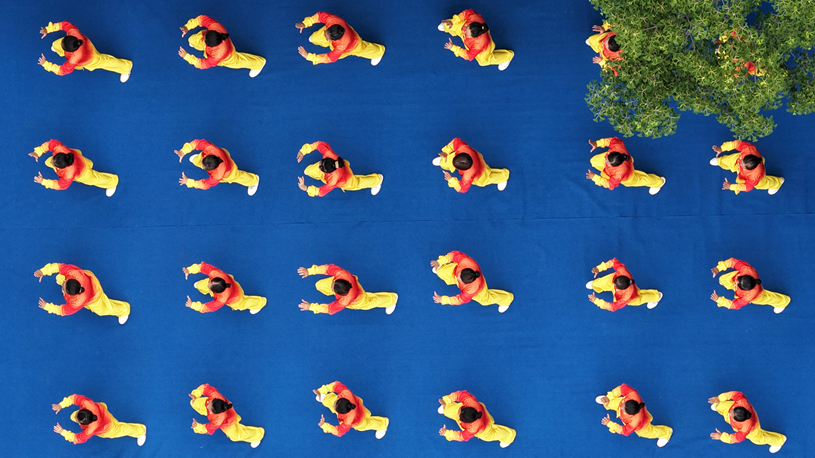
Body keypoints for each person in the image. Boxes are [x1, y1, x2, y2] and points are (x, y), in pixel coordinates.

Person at [35, 263, 130, 324]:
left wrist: (47, 307)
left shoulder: (77, 302)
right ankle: (62, 281)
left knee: (103, 310)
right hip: (86, 278)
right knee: (61, 277)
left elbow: (63, 310)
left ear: (72, 295)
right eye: (64, 284)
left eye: (63, 289)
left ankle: (124, 310)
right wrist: (43, 271)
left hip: (95, 297)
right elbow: (58, 267)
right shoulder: (73, 273)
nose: (62, 289)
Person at [38, 21, 132, 82]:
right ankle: (58, 48)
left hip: (90, 57)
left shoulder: (74, 59)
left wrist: (47, 65)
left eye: (63, 46)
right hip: (83, 43)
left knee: (105, 62)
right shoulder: (73, 31)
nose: (61, 43)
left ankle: (126, 67)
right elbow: (63, 25)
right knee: (56, 44)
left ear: (70, 51)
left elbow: (63, 70)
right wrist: (48, 29)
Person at [178, 15, 266, 77]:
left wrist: (187, 57)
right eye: (205, 36)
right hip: (212, 44)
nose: (203, 39)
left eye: (204, 40)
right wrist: (187, 27)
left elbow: (202, 64)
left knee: (238, 62)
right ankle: (197, 42)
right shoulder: (214, 26)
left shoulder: (218, 55)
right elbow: (200, 19)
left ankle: (259, 64)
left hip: (227, 56)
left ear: (210, 46)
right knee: (193, 40)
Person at [431, 251, 513, 313]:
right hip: (456, 269)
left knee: (485, 300)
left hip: (479, 289)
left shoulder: (471, 290)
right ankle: (440, 268)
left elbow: (459, 299)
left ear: (465, 283)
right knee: (441, 272)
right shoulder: (466, 261)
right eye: (459, 274)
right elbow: (452, 255)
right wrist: (440, 261)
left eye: (459, 279)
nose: (457, 277)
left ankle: (507, 299)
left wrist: (443, 300)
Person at [297, 264, 397, 315]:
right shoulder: (341, 274)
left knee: (371, 302)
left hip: (358, 299)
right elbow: (327, 268)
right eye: (333, 283)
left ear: (340, 294)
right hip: (349, 284)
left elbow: (329, 309)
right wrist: (309, 271)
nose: (331, 285)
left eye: (333, 288)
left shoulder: (345, 301)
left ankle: (392, 299)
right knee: (320, 285)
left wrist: (311, 307)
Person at [30, 139, 118, 197]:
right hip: (78, 158)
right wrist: (38, 152)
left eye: (54, 164)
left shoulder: (69, 174)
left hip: (82, 173)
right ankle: (89, 164)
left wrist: (44, 181)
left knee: (94, 179)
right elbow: (49, 144)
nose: (51, 162)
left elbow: (60, 185)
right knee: (47, 162)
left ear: (63, 167)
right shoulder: (59, 148)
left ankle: (112, 182)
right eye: (53, 159)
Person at [595, 384, 672, 447]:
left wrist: (610, 424)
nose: (620, 407)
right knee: (615, 402)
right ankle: (606, 401)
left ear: (630, 415)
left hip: (642, 426)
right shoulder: (632, 395)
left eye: (623, 410)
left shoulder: (635, 422)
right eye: (624, 404)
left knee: (650, 433)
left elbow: (624, 430)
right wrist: (609, 397)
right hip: (629, 408)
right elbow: (621, 388)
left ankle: (667, 433)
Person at [51, 394, 146, 445]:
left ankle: (141, 431)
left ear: (86, 424)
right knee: (100, 407)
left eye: (78, 419)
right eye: (78, 415)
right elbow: (73, 398)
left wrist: (63, 432)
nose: (75, 417)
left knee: (122, 429)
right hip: (101, 410)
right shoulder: (87, 403)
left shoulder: (90, 430)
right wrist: (61, 405)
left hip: (108, 427)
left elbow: (77, 438)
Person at [709, 391, 786, 453]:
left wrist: (722, 437)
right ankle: (719, 405)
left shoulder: (746, 428)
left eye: (731, 415)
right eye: (732, 411)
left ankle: (779, 441)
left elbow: (737, 438)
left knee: (759, 439)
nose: (729, 413)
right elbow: (735, 394)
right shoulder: (741, 401)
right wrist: (720, 398)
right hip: (736, 411)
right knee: (722, 406)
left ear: (736, 420)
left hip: (753, 429)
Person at [189, 384, 264, 448]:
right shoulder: (214, 395)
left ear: (215, 413)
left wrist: (197, 427)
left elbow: (208, 428)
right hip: (219, 409)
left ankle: (257, 435)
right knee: (195, 403)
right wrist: (196, 394)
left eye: (209, 408)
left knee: (235, 436)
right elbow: (205, 388)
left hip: (228, 423)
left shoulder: (218, 420)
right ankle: (196, 402)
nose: (207, 406)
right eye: (210, 403)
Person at [296, 12, 385, 66]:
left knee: (362, 49)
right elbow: (319, 16)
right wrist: (305, 23)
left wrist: (309, 57)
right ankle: (322, 35)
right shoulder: (332, 20)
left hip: (353, 44)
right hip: (336, 33)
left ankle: (378, 52)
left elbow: (329, 58)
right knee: (315, 38)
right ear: (329, 27)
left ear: (332, 40)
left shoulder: (341, 47)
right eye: (326, 32)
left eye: (327, 38)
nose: (325, 36)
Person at [296, 141, 383, 196]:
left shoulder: (333, 181)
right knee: (310, 170)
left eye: (321, 167)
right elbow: (317, 145)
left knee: (357, 183)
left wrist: (305, 188)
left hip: (346, 179)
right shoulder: (328, 153)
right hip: (341, 165)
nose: (319, 166)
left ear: (327, 172)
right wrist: (302, 151)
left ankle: (377, 180)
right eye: (321, 163)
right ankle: (346, 164)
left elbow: (320, 191)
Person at [176, 139, 259, 195]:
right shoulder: (210, 148)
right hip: (221, 154)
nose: (202, 162)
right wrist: (183, 151)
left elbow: (205, 184)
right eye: (203, 160)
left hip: (229, 172)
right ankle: (198, 159)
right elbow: (196, 143)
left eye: (204, 166)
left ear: (211, 170)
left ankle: (254, 180)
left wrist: (189, 182)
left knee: (238, 177)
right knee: (200, 159)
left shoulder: (217, 175)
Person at [438, 10, 514, 70]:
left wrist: (453, 48)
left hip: (483, 48)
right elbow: (465, 13)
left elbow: (467, 55)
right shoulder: (474, 18)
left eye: (467, 33)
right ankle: (447, 26)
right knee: (449, 25)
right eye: (466, 28)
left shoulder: (479, 45)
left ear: (474, 37)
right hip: (469, 37)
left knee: (483, 61)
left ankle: (507, 57)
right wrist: (453, 22)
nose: (464, 31)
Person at [438, 390, 516, 447]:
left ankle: (509, 436)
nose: (457, 414)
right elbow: (459, 395)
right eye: (459, 412)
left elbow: (462, 436)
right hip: (471, 411)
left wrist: (447, 433)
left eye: (459, 416)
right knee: (449, 411)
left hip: (484, 429)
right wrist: (447, 400)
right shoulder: (470, 402)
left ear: (467, 422)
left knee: (491, 436)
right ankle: (446, 406)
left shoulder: (473, 428)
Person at [586, 138, 665, 194]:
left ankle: (658, 182)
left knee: (642, 179)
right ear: (612, 152)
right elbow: (610, 141)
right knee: (594, 161)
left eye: (608, 163)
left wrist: (595, 178)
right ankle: (607, 171)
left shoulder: (618, 174)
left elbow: (609, 184)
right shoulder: (617, 146)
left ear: (615, 166)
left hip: (628, 176)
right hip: (625, 161)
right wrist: (597, 143)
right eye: (607, 158)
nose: (605, 161)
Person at [710, 258, 790, 314]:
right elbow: (733, 262)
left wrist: (720, 300)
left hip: (758, 296)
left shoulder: (749, 296)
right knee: (724, 279)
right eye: (739, 280)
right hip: (737, 276)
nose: (735, 282)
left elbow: (734, 305)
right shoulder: (746, 270)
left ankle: (783, 302)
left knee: (769, 298)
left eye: (738, 284)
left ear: (745, 290)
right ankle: (725, 281)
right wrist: (719, 268)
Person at [183, 262, 267, 314]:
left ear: (216, 293)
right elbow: (202, 267)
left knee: (243, 304)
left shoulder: (222, 299)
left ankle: (260, 303)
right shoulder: (215, 273)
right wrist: (189, 270)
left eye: (210, 287)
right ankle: (203, 287)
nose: (208, 284)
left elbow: (209, 307)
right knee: (202, 285)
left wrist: (193, 305)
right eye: (210, 282)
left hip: (236, 297)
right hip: (231, 284)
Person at [313, 381, 389, 439]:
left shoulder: (348, 420)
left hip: (359, 420)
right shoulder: (345, 393)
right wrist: (321, 391)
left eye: (335, 407)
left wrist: (324, 426)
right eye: (336, 403)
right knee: (330, 400)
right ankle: (323, 397)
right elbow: (335, 385)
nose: (333, 405)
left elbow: (339, 431)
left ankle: (383, 424)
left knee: (366, 424)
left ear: (341, 413)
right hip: (357, 405)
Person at [433, 138, 509, 192]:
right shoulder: (463, 148)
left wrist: (451, 180)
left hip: (480, 171)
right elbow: (455, 141)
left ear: (462, 170)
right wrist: (446, 152)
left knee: (485, 179)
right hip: (469, 156)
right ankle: (443, 161)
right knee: (448, 159)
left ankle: (503, 177)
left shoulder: (468, 176)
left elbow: (461, 188)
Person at [586, 258, 663, 312]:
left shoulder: (626, 297)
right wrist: (599, 268)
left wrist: (596, 301)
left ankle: (656, 297)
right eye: (615, 283)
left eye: (615, 285)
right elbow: (613, 262)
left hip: (630, 296)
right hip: (613, 278)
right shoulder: (622, 270)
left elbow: (613, 306)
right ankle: (595, 285)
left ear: (621, 289)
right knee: (600, 282)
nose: (613, 285)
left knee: (640, 298)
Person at [711, 141, 784, 195]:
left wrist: (731, 187)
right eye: (742, 162)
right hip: (741, 158)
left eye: (743, 166)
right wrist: (722, 148)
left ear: (750, 169)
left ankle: (777, 183)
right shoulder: (748, 149)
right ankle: (720, 161)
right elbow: (735, 144)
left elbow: (747, 187)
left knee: (762, 184)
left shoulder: (754, 177)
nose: (740, 165)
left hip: (757, 176)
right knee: (730, 160)